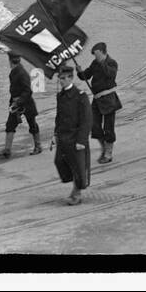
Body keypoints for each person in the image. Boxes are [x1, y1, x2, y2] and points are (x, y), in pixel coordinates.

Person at [52, 62, 92, 205]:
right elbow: (59, 116)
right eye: (60, 78)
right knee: (60, 162)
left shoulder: (80, 96)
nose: (60, 81)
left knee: (78, 167)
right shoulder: (60, 96)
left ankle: (77, 194)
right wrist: (55, 134)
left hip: (75, 139)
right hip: (63, 138)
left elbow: (86, 120)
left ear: (70, 78)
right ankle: (75, 187)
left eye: (63, 78)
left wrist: (81, 140)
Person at [76, 42, 121, 164]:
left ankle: (108, 153)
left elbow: (110, 75)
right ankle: (103, 147)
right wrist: (80, 72)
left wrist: (102, 63)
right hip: (97, 100)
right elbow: (87, 75)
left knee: (108, 127)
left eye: (97, 54)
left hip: (109, 99)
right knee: (94, 125)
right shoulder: (95, 63)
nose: (95, 57)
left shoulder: (112, 63)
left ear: (103, 52)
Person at [0, 52, 42, 158]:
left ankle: (38, 146)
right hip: (16, 104)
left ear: (10, 61)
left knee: (32, 124)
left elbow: (28, 91)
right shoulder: (14, 72)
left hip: (26, 103)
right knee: (10, 125)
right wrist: (12, 103)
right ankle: (7, 150)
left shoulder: (21, 73)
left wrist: (18, 102)